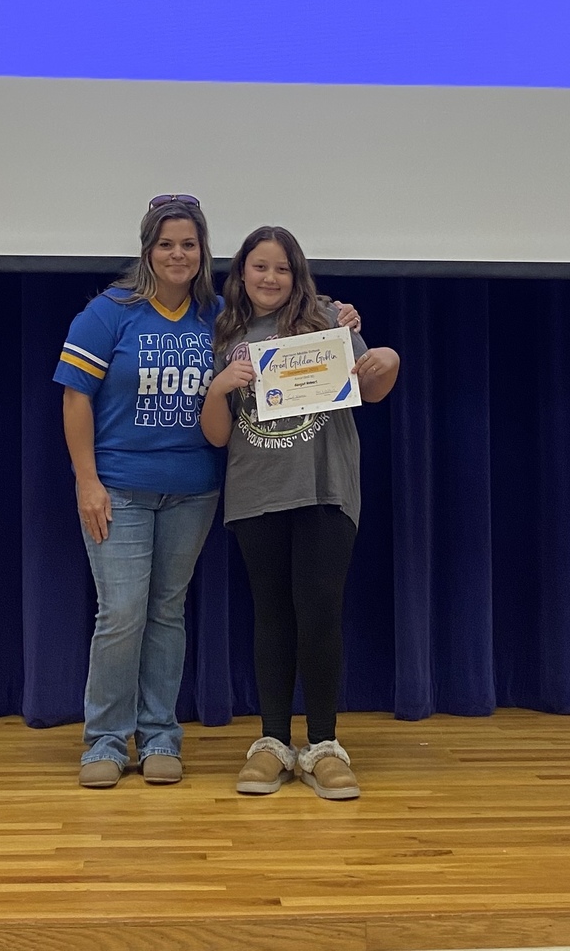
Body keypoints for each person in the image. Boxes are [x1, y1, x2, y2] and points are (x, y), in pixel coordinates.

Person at [55, 198, 362, 789]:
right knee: (121, 615)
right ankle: (107, 740)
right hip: (119, 487)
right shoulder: (108, 312)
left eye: (189, 245)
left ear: (204, 254)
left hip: (194, 490)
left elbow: (292, 324)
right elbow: (75, 399)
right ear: (147, 249)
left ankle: (162, 735)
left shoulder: (219, 317)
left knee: (167, 614)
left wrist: (339, 315)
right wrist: (87, 480)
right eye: (166, 244)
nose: (178, 254)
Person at [200, 225, 399, 800]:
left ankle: (323, 746)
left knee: (319, 612)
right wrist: (220, 387)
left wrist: (384, 357)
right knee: (271, 615)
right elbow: (216, 436)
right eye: (259, 267)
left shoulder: (331, 321)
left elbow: (377, 386)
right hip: (256, 494)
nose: (270, 278)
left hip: (325, 490)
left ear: (297, 274)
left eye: (281, 268)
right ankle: (271, 743)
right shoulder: (225, 334)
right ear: (241, 274)